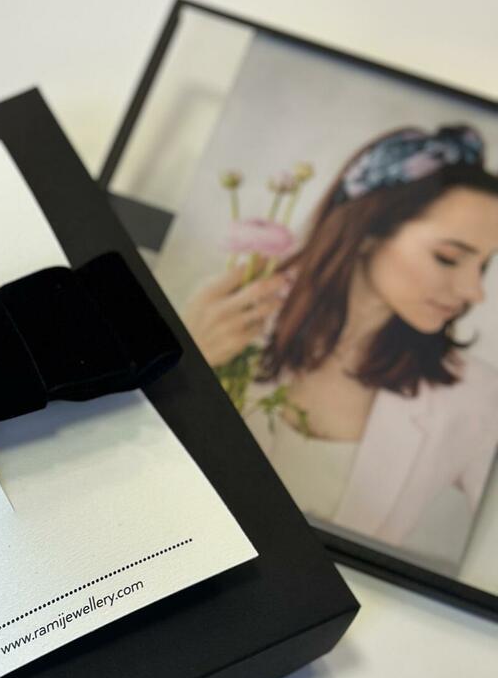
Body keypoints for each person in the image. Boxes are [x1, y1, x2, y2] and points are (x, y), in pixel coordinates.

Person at [182, 125, 498, 565]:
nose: (474, 292)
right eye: (448, 258)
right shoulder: (223, 320)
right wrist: (188, 363)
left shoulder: (477, 396)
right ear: (368, 230)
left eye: (483, 265)